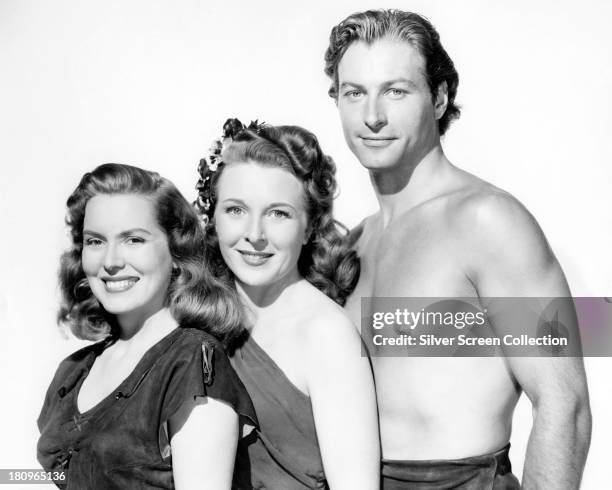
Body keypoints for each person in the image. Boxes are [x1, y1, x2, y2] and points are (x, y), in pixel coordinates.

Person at [324, 9, 591, 489]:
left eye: (396, 90)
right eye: (354, 92)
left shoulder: (486, 220)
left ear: (440, 97)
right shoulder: (354, 242)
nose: (372, 115)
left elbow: (563, 405)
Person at [37, 163, 257, 489]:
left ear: (177, 251)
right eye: (95, 241)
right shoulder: (73, 372)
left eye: (134, 240)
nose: (110, 261)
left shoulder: (192, 362)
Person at [194, 119, 380, 490]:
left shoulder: (326, 334)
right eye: (235, 210)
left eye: (278, 213)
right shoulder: (199, 311)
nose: (254, 235)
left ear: (310, 226)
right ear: (212, 217)